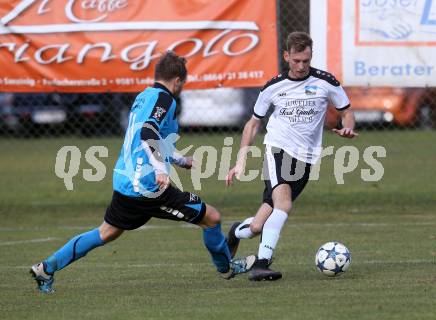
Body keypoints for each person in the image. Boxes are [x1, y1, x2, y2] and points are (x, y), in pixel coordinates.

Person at [30, 51, 255, 293]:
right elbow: (148, 133)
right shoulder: (165, 100)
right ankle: (227, 268)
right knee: (211, 218)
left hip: (126, 180)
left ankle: (47, 268)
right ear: (177, 81)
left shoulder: (144, 97)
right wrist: (160, 170)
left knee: (106, 232)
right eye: (183, 83)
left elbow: (150, 137)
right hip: (147, 187)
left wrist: (179, 159)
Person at [225, 32, 358, 281]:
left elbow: (346, 111)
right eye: (296, 60)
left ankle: (235, 232)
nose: (301, 66)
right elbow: (253, 124)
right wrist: (240, 160)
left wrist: (348, 126)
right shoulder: (274, 86)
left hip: (306, 159)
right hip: (277, 150)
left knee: (256, 226)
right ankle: (262, 263)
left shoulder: (325, 81)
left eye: (305, 61)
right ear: (286, 56)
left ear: (310, 57)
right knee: (284, 205)